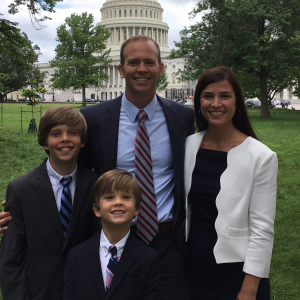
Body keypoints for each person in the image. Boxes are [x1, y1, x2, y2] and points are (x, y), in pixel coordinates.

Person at [0, 35, 194, 300]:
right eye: (133, 62)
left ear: (161, 68)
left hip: (167, 240)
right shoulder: (93, 119)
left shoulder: (182, 117)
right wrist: (25, 202)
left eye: (149, 62)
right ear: (120, 69)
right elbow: (69, 168)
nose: (141, 69)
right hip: (110, 240)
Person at [183, 66, 278, 300]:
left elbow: (262, 230)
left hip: (237, 274)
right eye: (208, 96)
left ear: (237, 102)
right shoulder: (187, 146)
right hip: (191, 269)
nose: (216, 104)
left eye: (224, 96)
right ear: (198, 103)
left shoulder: (260, 156)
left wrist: (248, 290)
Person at [0, 106, 99, 300]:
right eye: (56, 133)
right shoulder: (21, 190)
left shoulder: (97, 186)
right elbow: (11, 259)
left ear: (82, 141)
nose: (65, 139)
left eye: (72, 133)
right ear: (45, 142)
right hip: (38, 293)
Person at [63, 169, 160, 300]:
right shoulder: (77, 256)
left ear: (136, 209)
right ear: (97, 209)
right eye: (109, 197)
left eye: (126, 197)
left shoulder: (148, 258)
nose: (118, 202)